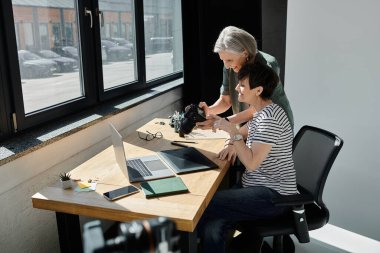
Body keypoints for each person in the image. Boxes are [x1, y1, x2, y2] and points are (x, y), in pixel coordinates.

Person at [196, 61, 297, 253]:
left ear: (258, 90)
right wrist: (219, 123)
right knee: (212, 226)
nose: (236, 88)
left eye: (242, 85)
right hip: (255, 185)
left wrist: (232, 134)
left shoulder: (269, 120)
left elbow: (251, 162)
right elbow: (241, 135)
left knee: (203, 204)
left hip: (272, 196)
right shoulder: (264, 111)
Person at [197, 26, 294, 130]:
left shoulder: (268, 65)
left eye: (229, 60)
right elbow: (226, 101)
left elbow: (256, 108)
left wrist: (222, 122)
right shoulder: (230, 65)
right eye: (223, 60)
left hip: (273, 126)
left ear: (245, 53)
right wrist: (208, 110)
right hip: (249, 126)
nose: (226, 65)